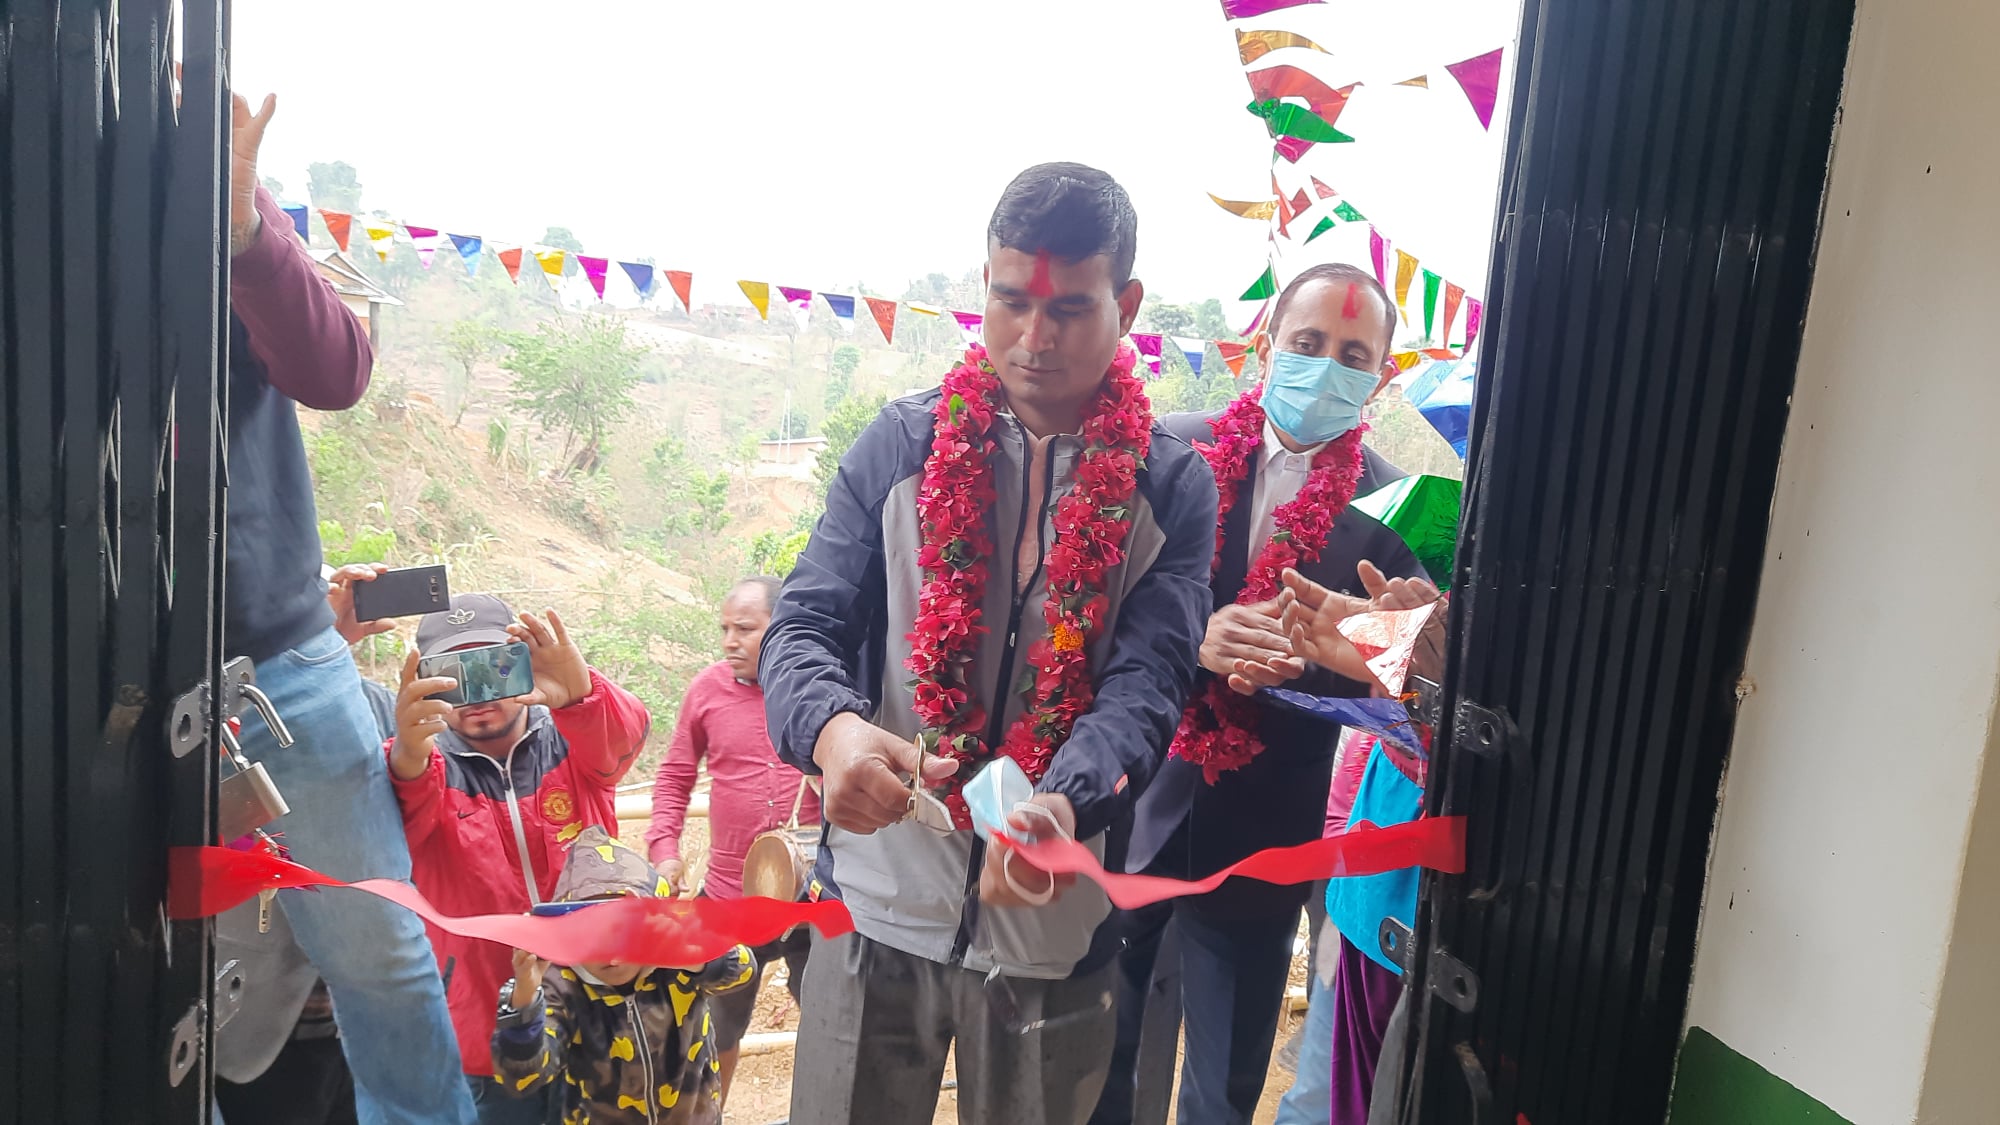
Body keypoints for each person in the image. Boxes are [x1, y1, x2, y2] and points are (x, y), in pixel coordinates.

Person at [759, 161, 1219, 1125]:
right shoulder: (903, 444)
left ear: (1128, 304)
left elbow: (1151, 681)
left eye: (1070, 308)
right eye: (1011, 301)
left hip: (1052, 924)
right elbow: (803, 625)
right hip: (874, 904)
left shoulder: (1172, 487)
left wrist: (1068, 799)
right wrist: (833, 734)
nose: (1033, 338)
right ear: (984, 287)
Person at [1094, 263, 1441, 1125]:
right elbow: (1093, 606)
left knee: (1224, 1085)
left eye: (1352, 355)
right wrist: (1193, 637)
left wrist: (1324, 657)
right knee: (1098, 1051)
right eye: (1308, 343)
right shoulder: (1170, 450)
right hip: (1133, 799)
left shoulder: (1400, 510)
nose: (1325, 367)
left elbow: (1410, 677)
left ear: (1381, 377)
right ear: (1265, 348)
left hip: (1267, 831)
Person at [214, 88, 474, 1123]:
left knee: (383, 962)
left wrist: (243, 223)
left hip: (281, 665)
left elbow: (334, 370)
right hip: (77, 681)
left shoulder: (215, 196)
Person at [391, 593, 651, 1123]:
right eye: (452, 678)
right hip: (490, 1030)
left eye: (492, 667)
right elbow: (402, 802)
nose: (475, 695)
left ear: (524, 663)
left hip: (605, 1011)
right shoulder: (422, 768)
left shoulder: (575, 739)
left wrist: (580, 693)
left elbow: (625, 738)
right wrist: (408, 752)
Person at [213, 563, 394, 1125]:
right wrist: (305, 668)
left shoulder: (381, 708)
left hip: (364, 1016)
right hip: (263, 1017)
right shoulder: (231, 717)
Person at [645, 575, 821, 1107]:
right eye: (724, 628)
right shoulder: (707, 690)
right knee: (714, 1030)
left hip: (816, 899)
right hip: (728, 901)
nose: (729, 641)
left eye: (744, 628)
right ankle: (710, 1115)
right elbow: (675, 775)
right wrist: (664, 850)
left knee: (831, 1025)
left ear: (782, 627)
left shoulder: (818, 688)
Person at [493, 827, 756, 1125]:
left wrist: (688, 951)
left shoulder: (676, 962)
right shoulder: (563, 985)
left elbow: (743, 970)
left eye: (623, 934)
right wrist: (525, 998)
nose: (612, 957)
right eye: (594, 939)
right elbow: (522, 1077)